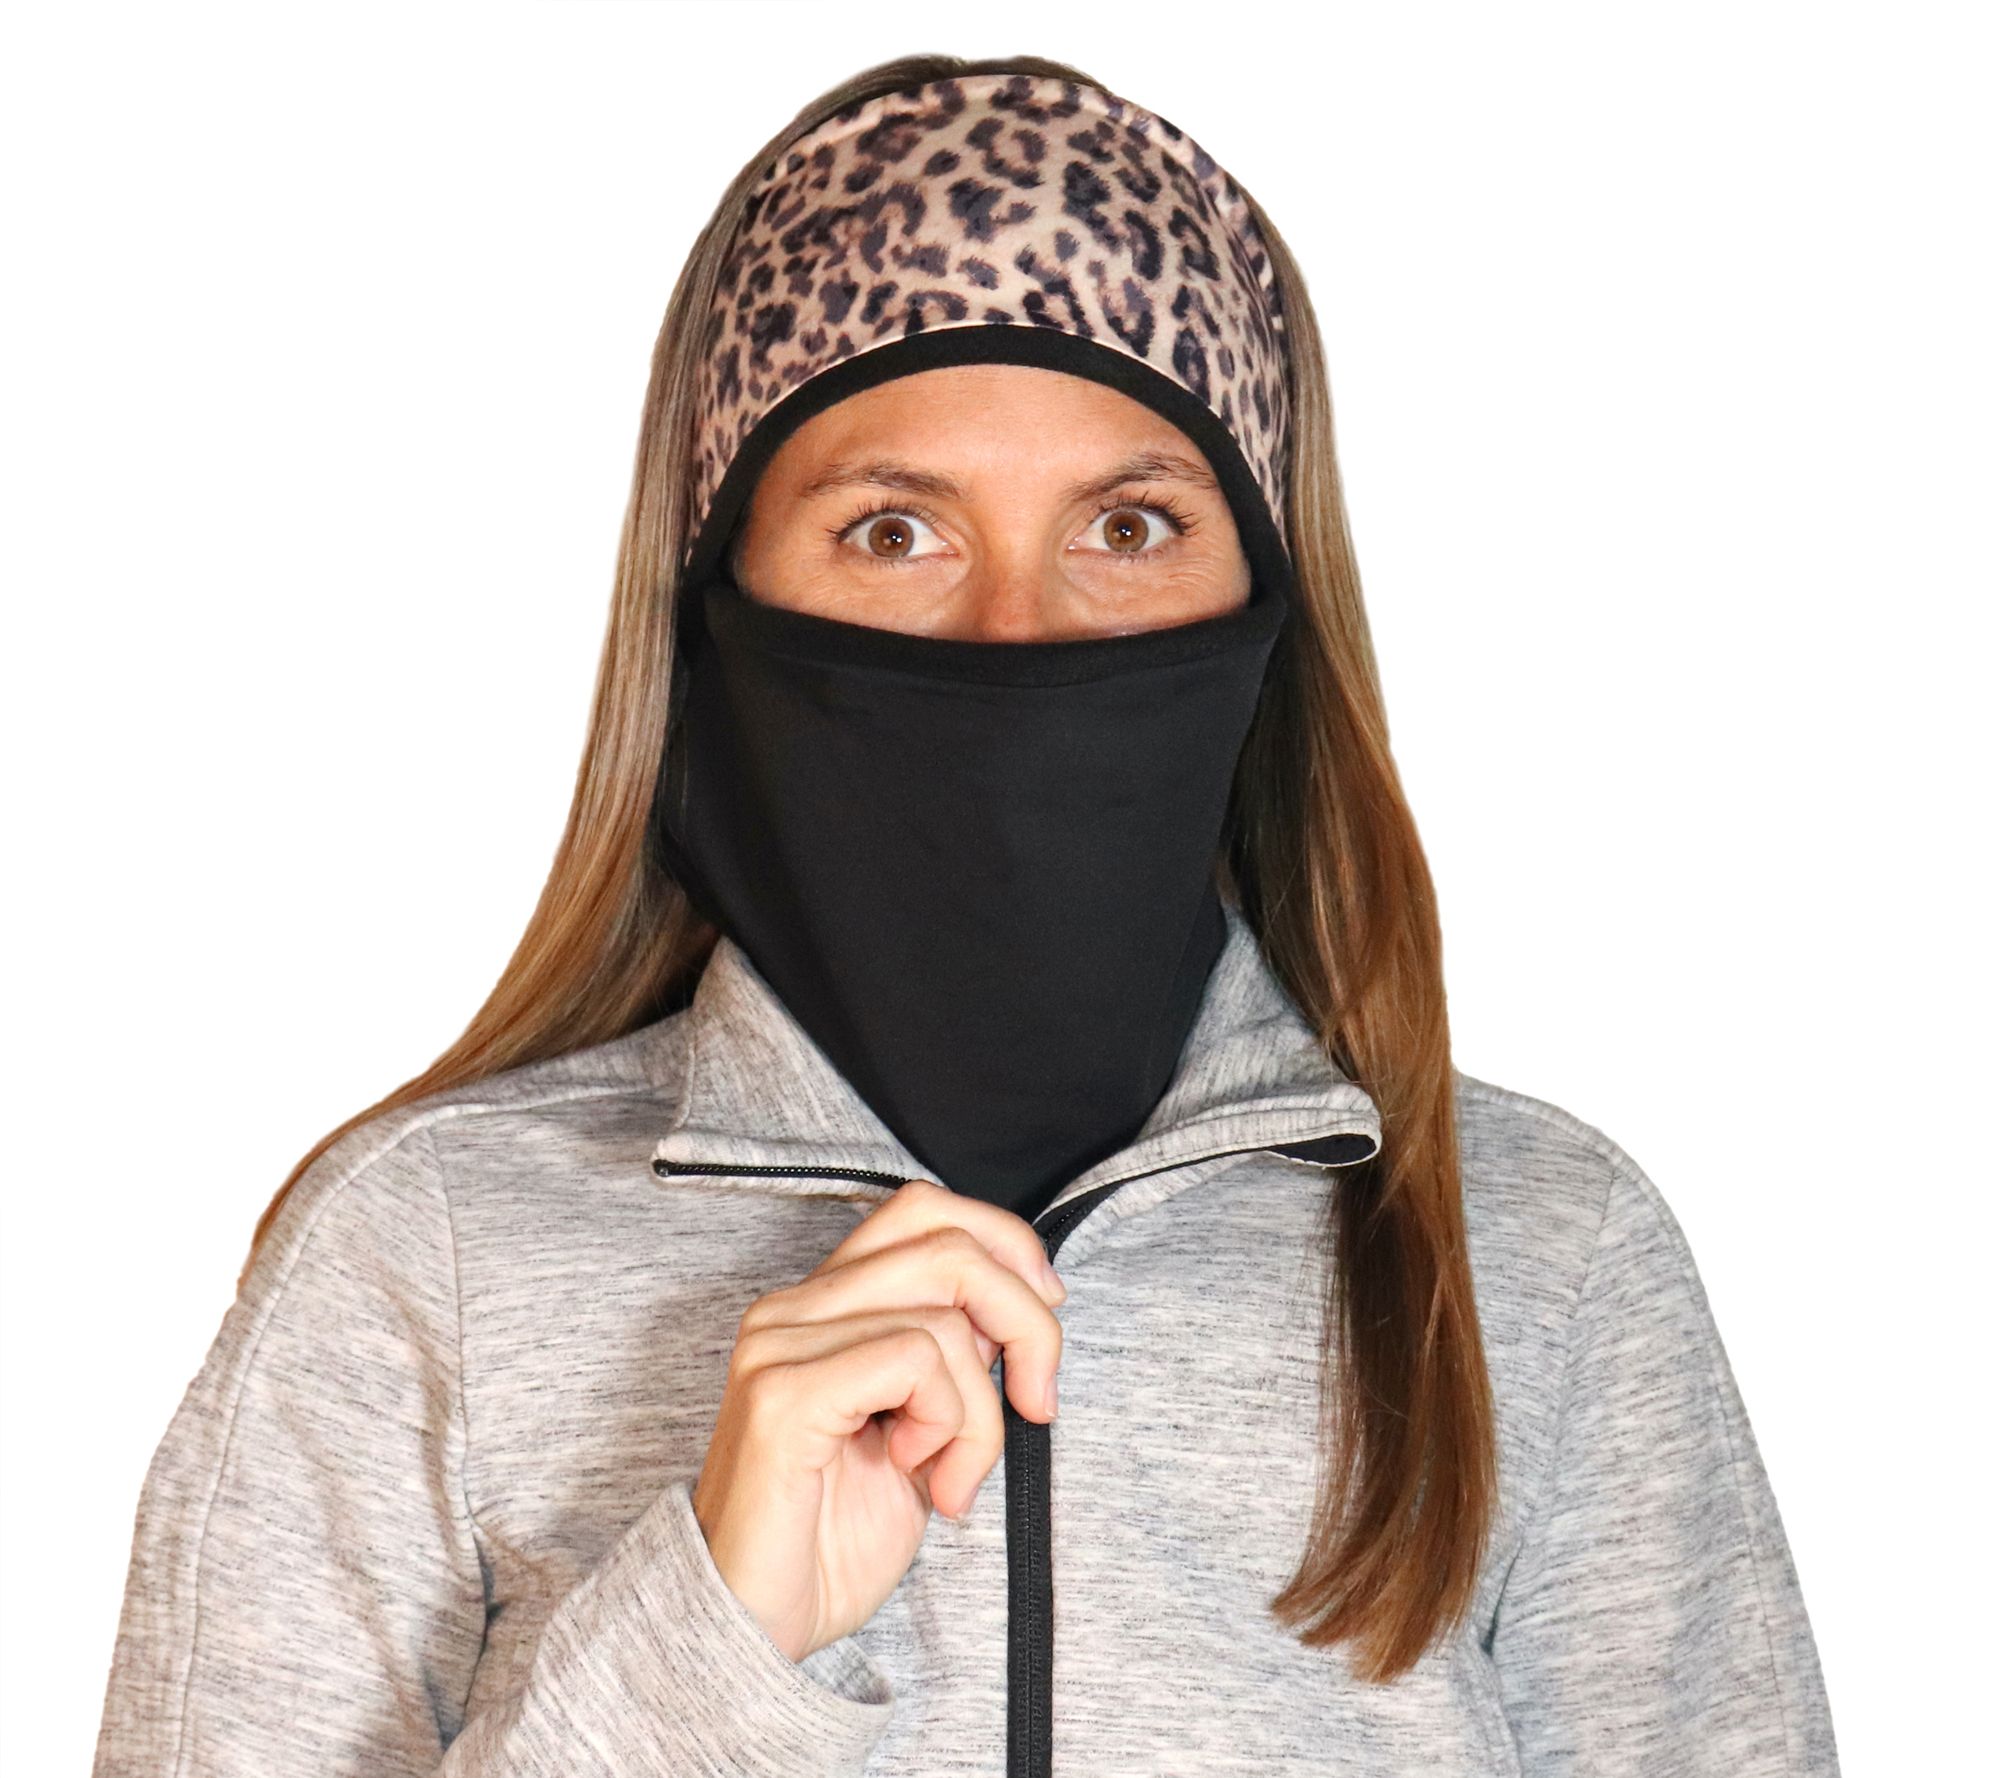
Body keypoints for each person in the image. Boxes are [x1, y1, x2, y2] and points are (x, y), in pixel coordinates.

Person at [90, 53, 1840, 1778]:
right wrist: (707, 1646)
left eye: (1130, 525)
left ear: (1265, 600)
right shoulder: (425, 1255)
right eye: (893, 531)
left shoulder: (1538, 1261)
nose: (1019, 634)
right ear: (718, 592)